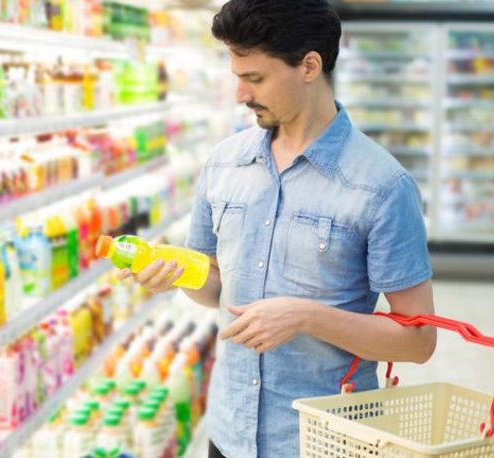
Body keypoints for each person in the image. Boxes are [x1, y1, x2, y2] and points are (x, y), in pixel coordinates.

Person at [116, 1, 437, 456]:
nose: (239, 94)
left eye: (255, 78)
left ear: (309, 66)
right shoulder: (224, 163)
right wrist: (176, 273)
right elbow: (216, 288)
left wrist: (307, 317)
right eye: (236, 76)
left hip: (325, 441)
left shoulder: (382, 186)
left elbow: (419, 340)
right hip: (229, 433)